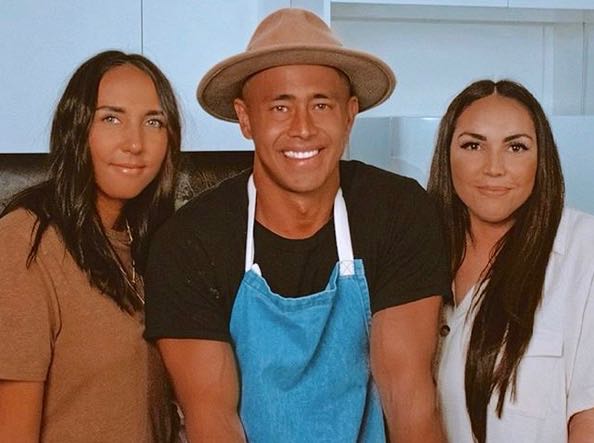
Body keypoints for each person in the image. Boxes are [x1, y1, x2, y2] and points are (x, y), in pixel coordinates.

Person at [145, 8, 450, 442]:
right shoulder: (189, 242)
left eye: (321, 104)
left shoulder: (398, 211)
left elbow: (409, 399)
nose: (303, 128)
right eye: (280, 106)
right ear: (245, 118)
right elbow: (213, 420)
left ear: (349, 115)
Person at [0, 50, 182, 442]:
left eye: (153, 122)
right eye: (111, 118)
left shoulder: (155, 242)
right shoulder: (25, 242)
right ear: (76, 128)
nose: (135, 143)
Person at [428, 79, 594, 443]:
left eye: (516, 147)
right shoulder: (414, 251)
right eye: (473, 145)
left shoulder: (583, 249)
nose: (494, 168)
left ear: (541, 158)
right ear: (447, 155)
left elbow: (589, 419)